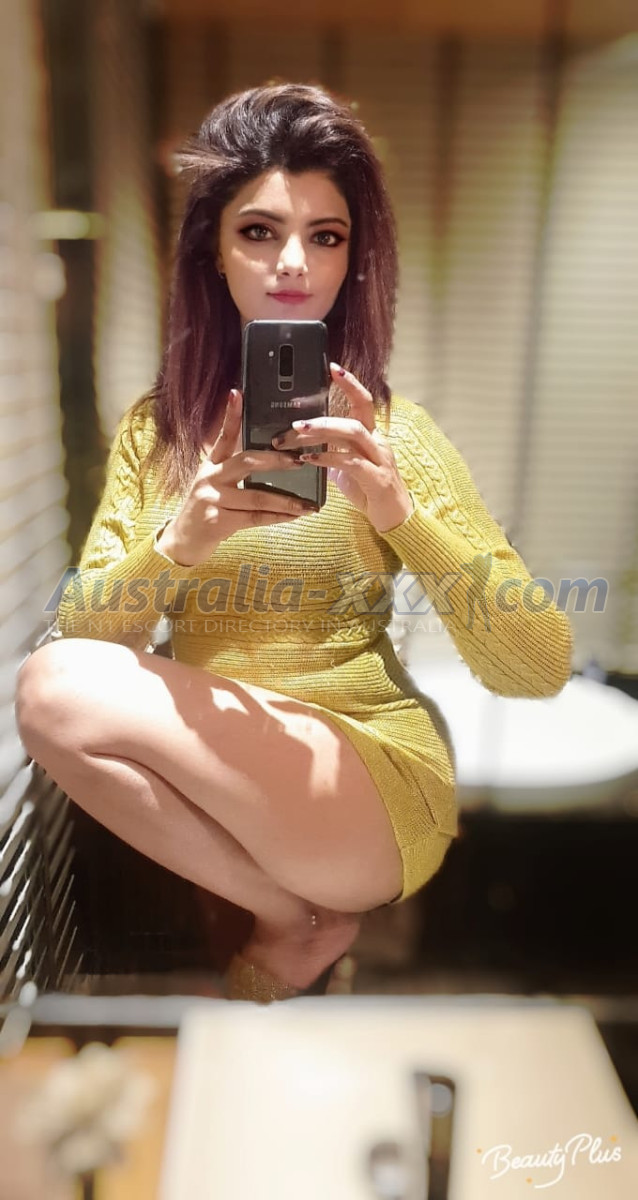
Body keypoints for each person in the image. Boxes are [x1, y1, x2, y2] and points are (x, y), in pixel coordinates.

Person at [15, 82, 574, 1003]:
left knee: (50, 685)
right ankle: (288, 916)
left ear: (355, 256)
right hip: (226, 792)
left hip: (367, 781)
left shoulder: (396, 437)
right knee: (54, 689)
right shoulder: (158, 436)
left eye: (326, 235)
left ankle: (295, 920)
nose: (293, 263)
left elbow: (538, 667)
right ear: (213, 249)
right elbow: (85, 646)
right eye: (259, 231)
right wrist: (179, 543)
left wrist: (400, 515)